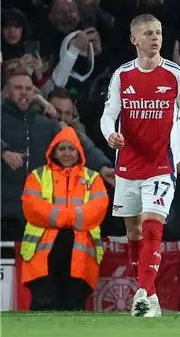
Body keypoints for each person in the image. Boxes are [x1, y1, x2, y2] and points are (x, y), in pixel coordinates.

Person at [100, 13, 180, 317]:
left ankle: (143, 293)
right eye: (147, 33)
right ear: (134, 39)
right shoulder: (122, 75)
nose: (155, 38)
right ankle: (149, 295)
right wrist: (110, 134)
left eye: (158, 32)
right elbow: (108, 114)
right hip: (128, 167)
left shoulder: (176, 74)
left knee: (151, 225)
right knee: (133, 232)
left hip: (161, 166)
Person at [20, 126, 109, 311]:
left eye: (71, 148)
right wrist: (68, 217)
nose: (67, 153)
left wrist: (60, 216)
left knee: (74, 307)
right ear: (53, 151)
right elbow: (31, 207)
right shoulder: (37, 175)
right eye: (62, 149)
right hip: (42, 255)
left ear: (79, 151)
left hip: (81, 256)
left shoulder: (93, 178)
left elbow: (98, 209)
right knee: (43, 306)